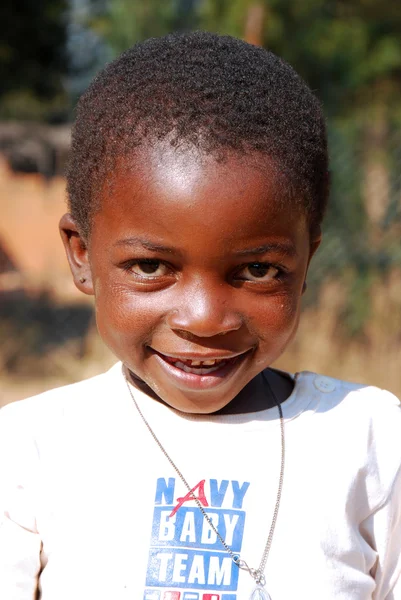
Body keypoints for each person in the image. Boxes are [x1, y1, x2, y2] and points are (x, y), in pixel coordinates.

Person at [0, 31, 400, 600]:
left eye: (259, 270)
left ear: (307, 259)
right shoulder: (30, 451)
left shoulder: (370, 441)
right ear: (82, 256)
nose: (207, 319)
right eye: (150, 266)